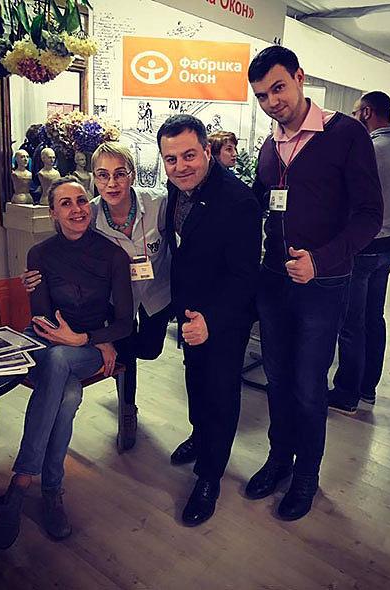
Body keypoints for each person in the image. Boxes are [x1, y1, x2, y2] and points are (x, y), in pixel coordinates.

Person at [246, 46, 383, 521]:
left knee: (307, 384)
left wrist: (320, 262)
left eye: (278, 88)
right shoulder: (269, 146)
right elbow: (260, 202)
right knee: (277, 378)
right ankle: (279, 459)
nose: (272, 102)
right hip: (273, 281)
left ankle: (306, 474)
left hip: (322, 285)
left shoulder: (344, 133)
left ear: (300, 78)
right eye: (262, 96)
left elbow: (370, 215)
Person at [0, 177, 133, 549]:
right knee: (67, 393)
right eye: (65, 203)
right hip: (46, 341)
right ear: (53, 212)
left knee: (59, 361)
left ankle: (21, 482)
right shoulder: (39, 254)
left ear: (90, 205)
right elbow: (41, 318)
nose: (76, 209)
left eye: (81, 201)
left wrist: (90, 339)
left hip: (86, 348)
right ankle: (51, 489)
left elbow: (126, 323)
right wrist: (69, 337)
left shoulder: (113, 255)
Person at [23, 142, 172, 451]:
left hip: (156, 292)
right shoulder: (87, 212)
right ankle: (127, 409)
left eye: (120, 174)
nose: (111, 183)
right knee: (124, 348)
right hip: (116, 299)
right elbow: (64, 249)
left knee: (149, 350)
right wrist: (36, 276)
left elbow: (179, 242)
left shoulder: (158, 204)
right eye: (103, 175)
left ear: (132, 175)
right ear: (94, 178)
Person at [157, 114, 261, 526]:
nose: (180, 166)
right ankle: (200, 437)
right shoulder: (176, 188)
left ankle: (209, 476)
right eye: (171, 159)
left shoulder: (239, 201)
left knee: (220, 393)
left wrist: (211, 320)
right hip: (189, 312)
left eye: (188, 155)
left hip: (224, 317)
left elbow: (245, 277)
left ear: (206, 151)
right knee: (195, 382)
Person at [329, 91, 390, 414]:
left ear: (367, 112)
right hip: (389, 243)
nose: (355, 118)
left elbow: (347, 195)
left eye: (356, 113)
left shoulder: (368, 148)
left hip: (363, 243)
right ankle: (367, 387)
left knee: (351, 322)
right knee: (373, 318)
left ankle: (346, 393)